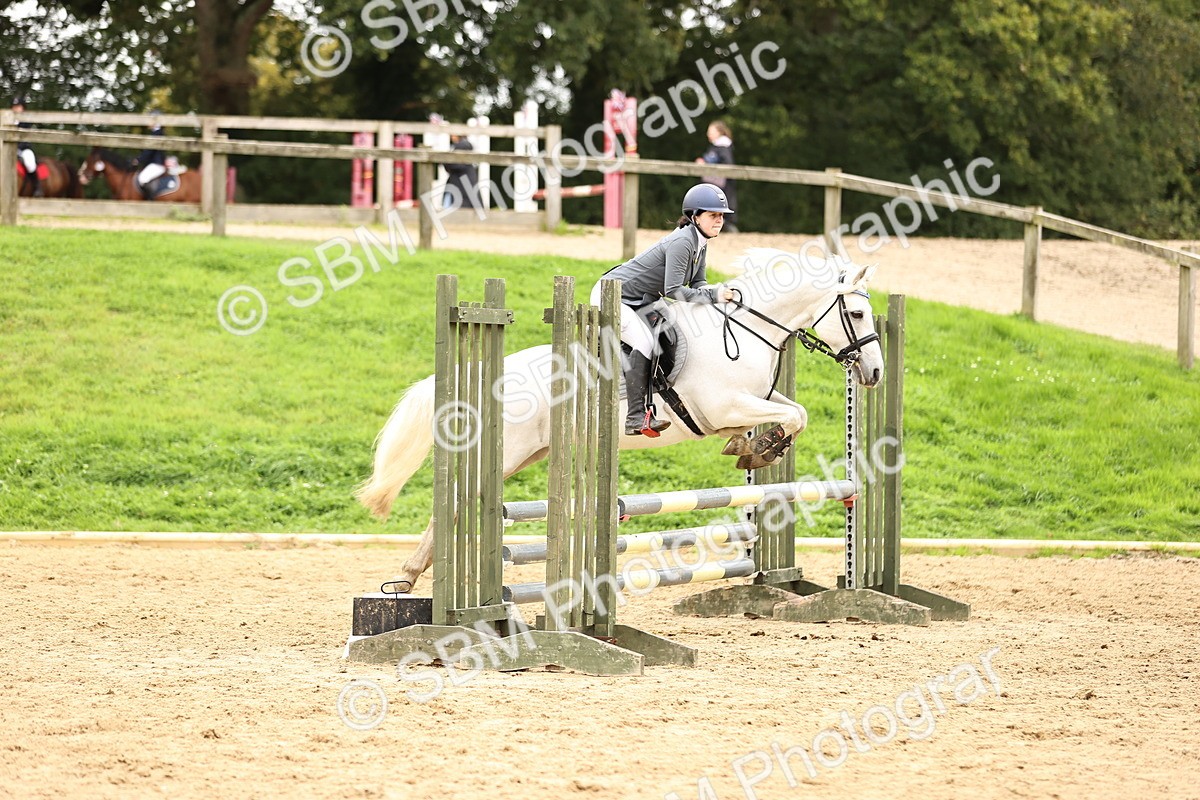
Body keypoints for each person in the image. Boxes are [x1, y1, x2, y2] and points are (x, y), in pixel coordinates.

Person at [593, 183, 737, 437]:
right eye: (714, 215)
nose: (719, 220)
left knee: (671, 333)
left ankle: (660, 391)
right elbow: (674, 291)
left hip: (644, 299)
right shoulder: (683, 241)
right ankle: (636, 417)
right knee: (645, 341)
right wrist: (714, 296)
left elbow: (698, 285)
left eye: (722, 215)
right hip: (616, 296)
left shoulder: (700, 241)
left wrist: (718, 293)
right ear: (696, 216)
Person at [695, 120, 738, 232]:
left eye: (711, 131)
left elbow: (726, 164)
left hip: (722, 183)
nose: (708, 134)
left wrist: (708, 164)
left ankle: (728, 226)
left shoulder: (723, 146)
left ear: (719, 132)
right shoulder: (716, 146)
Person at [443, 133, 482, 211]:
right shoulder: (461, 146)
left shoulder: (461, 146)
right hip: (462, 181)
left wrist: (445, 161)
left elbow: (454, 164)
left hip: (462, 181)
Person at [12, 96, 41, 197]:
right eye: (14, 106)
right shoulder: (8, 120)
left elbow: (25, 137)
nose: (15, 109)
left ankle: (37, 187)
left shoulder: (26, 120)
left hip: (24, 149)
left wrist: (18, 148)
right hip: (8, 149)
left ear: (23, 108)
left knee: (30, 163)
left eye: (18, 106)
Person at [133, 114, 167, 197]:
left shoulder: (157, 133)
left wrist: (139, 160)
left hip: (156, 163)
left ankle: (150, 200)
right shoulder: (156, 133)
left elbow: (149, 151)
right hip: (155, 163)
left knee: (142, 179)